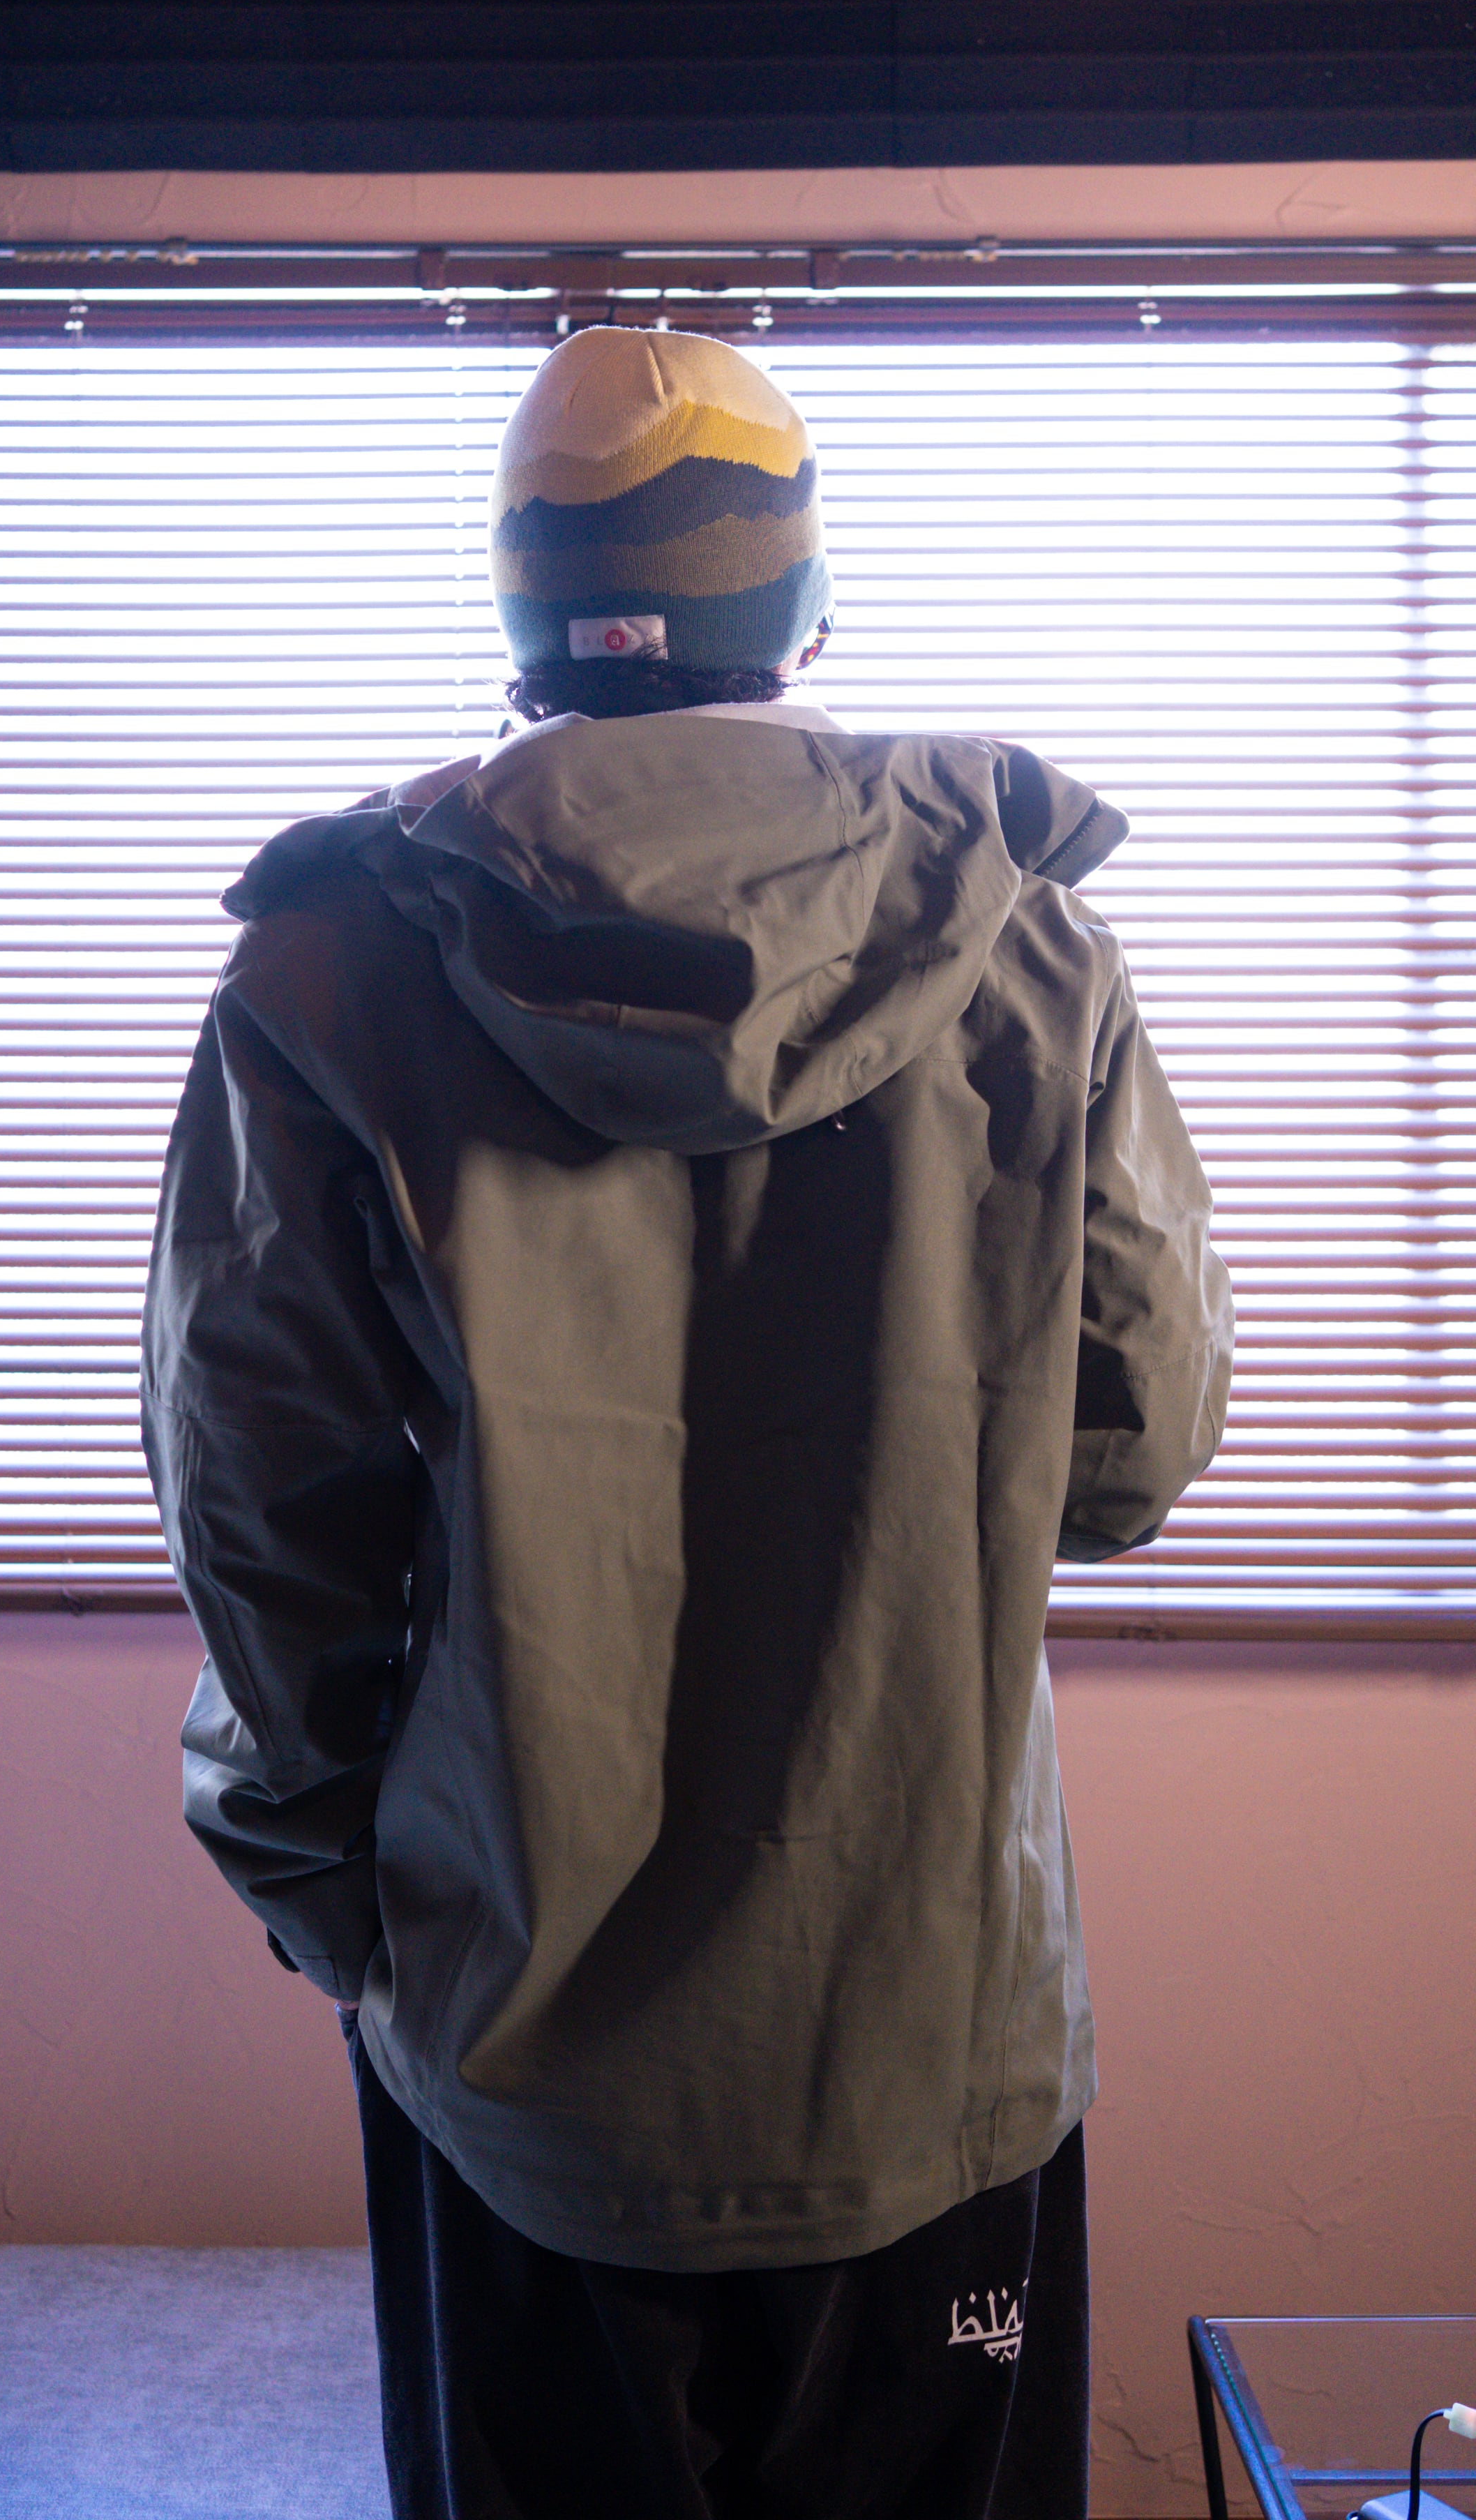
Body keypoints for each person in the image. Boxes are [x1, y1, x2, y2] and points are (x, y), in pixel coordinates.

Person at [142, 327, 1233, 2520]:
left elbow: (267, 1519)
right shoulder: (1028, 942)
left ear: (527, 627)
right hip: (927, 2036)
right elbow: (1127, 1457)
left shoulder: (331, 968)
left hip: (518, 2056)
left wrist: (344, 1904)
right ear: (803, 612)